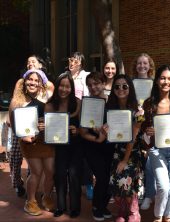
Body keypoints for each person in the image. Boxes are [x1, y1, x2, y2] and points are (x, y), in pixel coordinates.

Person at [142, 65, 170, 222]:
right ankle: (158, 217)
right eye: (162, 78)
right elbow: (142, 129)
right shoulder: (148, 104)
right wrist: (148, 131)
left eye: (169, 79)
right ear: (156, 81)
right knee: (163, 186)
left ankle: (168, 216)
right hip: (157, 150)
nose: (166, 82)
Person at [9, 69, 55, 216]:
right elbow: (12, 122)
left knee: (50, 170)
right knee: (36, 171)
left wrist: (46, 124)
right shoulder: (18, 100)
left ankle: (46, 196)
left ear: (41, 82)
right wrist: (21, 136)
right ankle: (30, 201)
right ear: (25, 81)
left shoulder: (46, 96)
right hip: (28, 141)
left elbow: (51, 116)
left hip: (45, 139)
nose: (33, 82)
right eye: (30, 79)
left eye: (36, 80)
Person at [42, 72, 82, 218]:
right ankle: (60, 206)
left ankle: (75, 207)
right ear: (57, 86)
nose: (64, 89)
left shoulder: (78, 103)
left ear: (71, 88)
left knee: (73, 174)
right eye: (61, 86)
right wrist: (45, 129)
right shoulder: (50, 105)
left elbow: (83, 128)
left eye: (67, 86)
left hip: (75, 144)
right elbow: (47, 129)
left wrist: (76, 130)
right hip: (58, 145)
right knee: (59, 175)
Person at [107, 74, 144, 222]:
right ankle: (122, 209)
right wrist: (105, 129)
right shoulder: (111, 108)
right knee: (114, 181)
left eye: (124, 86)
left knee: (127, 179)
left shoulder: (139, 110)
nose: (120, 89)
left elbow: (133, 137)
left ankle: (133, 211)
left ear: (130, 88)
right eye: (117, 86)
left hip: (132, 151)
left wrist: (125, 160)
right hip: (116, 150)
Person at [79, 71, 114, 221]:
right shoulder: (86, 104)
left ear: (104, 83)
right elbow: (82, 131)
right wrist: (97, 139)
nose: (93, 87)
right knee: (102, 176)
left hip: (110, 146)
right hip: (92, 146)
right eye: (90, 85)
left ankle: (103, 205)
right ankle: (96, 207)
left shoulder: (112, 102)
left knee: (109, 177)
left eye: (96, 83)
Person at [131, 53, 156, 210]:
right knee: (137, 160)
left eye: (145, 63)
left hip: (148, 125)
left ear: (150, 66)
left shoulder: (154, 83)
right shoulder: (131, 83)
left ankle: (149, 195)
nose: (142, 66)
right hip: (134, 124)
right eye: (139, 63)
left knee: (149, 161)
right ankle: (139, 193)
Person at [68, 52, 94, 200]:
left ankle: (89, 183)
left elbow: (88, 96)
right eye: (71, 60)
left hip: (84, 117)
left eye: (76, 61)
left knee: (86, 153)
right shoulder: (65, 76)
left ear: (81, 63)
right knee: (72, 152)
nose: (73, 63)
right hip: (70, 119)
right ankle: (72, 183)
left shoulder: (86, 76)